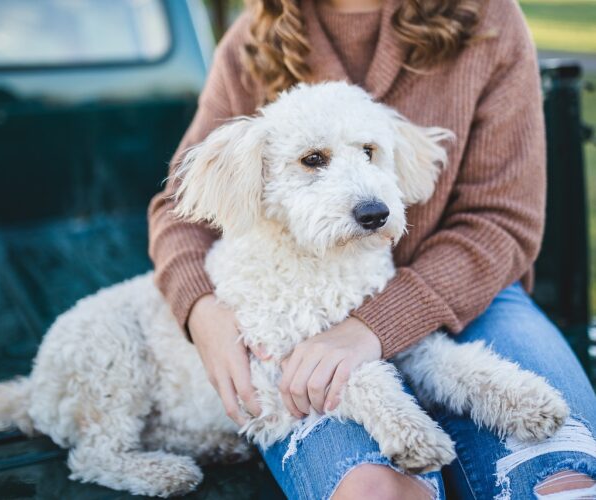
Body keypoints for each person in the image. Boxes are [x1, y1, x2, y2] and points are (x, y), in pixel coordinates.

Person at [148, 0, 596, 498]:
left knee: (561, 476)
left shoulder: (489, 17)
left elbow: (503, 222)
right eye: (314, 159)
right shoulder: (256, 36)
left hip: (472, 293)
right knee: (376, 489)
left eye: (367, 152)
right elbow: (178, 210)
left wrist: (373, 326)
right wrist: (201, 309)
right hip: (297, 310)